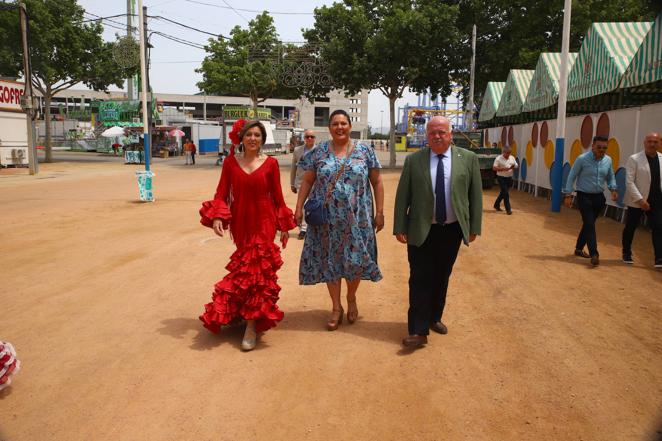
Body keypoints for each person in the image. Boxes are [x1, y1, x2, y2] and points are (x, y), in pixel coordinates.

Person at [198, 120, 296, 351]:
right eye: (249, 135)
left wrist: (283, 224)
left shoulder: (271, 163)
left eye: (257, 135)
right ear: (241, 139)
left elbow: (278, 198)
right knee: (245, 271)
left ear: (263, 139)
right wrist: (218, 217)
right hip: (241, 222)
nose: (253, 138)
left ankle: (251, 327)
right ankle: (242, 313)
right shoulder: (231, 162)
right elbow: (221, 192)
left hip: (264, 221)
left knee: (257, 270)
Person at [394, 116, 482, 349]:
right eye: (432, 132)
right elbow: (403, 195)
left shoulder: (468, 159)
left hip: (452, 229)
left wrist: (474, 227)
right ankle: (418, 330)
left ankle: (434, 317)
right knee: (420, 278)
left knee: (441, 276)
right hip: (421, 229)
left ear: (451, 134)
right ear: (427, 135)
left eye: (442, 131)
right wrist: (399, 226)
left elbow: (475, 196)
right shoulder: (414, 161)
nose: (437, 136)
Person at [294, 109, 384, 331]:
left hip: (358, 218)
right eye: (335, 123)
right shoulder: (319, 152)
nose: (339, 127)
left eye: (343, 123)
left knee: (356, 261)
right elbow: (307, 181)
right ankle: (336, 307)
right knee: (330, 261)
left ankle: (351, 297)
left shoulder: (365, 151)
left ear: (350, 126)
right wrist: (298, 208)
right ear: (329, 128)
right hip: (327, 220)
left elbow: (377, 182)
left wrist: (379, 211)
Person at [564, 136, 618, 267]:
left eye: (604, 148)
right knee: (589, 224)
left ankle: (578, 248)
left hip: (599, 198)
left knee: (589, 224)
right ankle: (594, 254)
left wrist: (613, 189)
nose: (601, 150)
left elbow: (610, 176)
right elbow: (572, 176)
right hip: (584, 197)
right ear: (592, 145)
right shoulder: (582, 159)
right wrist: (568, 194)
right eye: (599, 147)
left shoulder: (608, 160)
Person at [622, 132, 662, 268]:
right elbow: (629, 182)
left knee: (658, 228)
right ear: (644, 143)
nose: (652, 144)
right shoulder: (634, 159)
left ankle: (659, 259)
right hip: (637, 201)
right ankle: (626, 252)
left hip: (657, 201)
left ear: (660, 143)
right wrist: (640, 200)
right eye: (649, 141)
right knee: (631, 227)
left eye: (655, 142)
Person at [290, 129, 316, 240]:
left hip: (316, 184)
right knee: (304, 206)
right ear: (304, 138)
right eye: (307, 137)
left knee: (314, 207)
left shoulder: (320, 150)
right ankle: (304, 229)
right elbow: (293, 168)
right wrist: (292, 183)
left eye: (312, 136)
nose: (309, 139)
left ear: (315, 138)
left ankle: (312, 228)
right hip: (301, 183)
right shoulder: (297, 151)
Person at [492, 145, 518, 214]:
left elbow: (516, 165)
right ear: (503, 152)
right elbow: (494, 168)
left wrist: (513, 167)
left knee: (503, 192)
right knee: (506, 194)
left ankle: (496, 205)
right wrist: (503, 169)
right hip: (501, 178)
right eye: (507, 153)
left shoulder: (512, 157)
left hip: (509, 178)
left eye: (509, 153)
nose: (508, 155)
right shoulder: (498, 158)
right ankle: (508, 210)